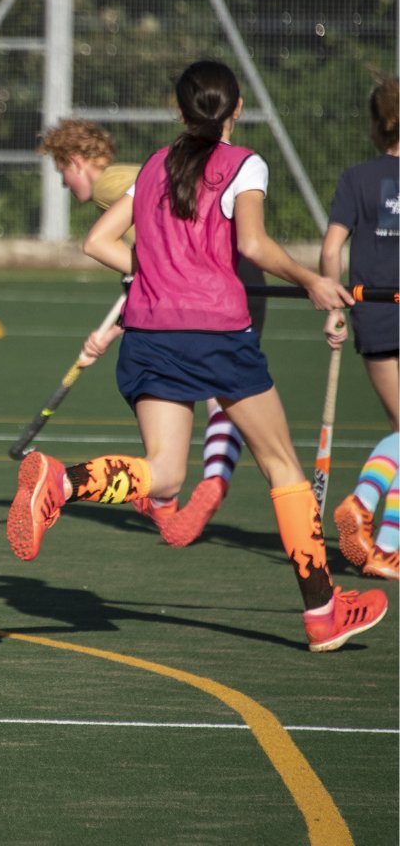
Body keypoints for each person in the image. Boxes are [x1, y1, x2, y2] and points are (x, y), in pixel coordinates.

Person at [9, 60, 388, 652]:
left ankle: (63, 480)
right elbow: (253, 244)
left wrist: (157, 276)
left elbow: (97, 241)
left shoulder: (153, 165)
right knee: (282, 467)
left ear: (179, 110)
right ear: (237, 109)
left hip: (148, 332)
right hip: (216, 335)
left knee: (163, 473)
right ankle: (322, 614)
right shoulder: (244, 163)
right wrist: (312, 280)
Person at [39, 119, 267, 546]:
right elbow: (157, 263)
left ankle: (177, 490)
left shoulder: (109, 186)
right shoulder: (133, 176)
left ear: (76, 161)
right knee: (225, 390)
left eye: (63, 173)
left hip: (215, 286)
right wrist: (116, 327)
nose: (66, 185)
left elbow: (161, 261)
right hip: (229, 280)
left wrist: (125, 321)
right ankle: (206, 482)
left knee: (196, 392)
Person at [320, 75, 399, 580]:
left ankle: (388, 545)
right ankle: (366, 507)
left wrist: (333, 305)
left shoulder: (356, 178)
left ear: (376, 124)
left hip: (373, 312)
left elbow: (331, 249)